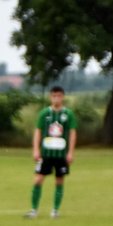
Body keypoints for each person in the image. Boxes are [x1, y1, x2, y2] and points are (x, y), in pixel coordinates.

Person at [25, 85, 76, 218]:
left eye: (59, 96)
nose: (56, 99)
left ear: (63, 97)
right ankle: (34, 210)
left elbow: (72, 133)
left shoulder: (68, 114)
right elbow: (38, 132)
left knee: (59, 181)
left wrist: (70, 152)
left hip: (60, 155)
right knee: (38, 180)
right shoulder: (44, 113)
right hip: (46, 154)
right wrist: (36, 149)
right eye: (54, 96)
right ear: (50, 97)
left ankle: (55, 210)